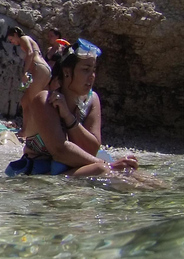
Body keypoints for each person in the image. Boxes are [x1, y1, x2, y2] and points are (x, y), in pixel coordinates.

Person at [7, 38, 138, 177]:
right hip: (40, 175)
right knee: (102, 171)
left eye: (93, 70)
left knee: (130, 173)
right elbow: (60, 151)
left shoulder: (91, 100)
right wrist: (109, 166)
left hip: (73, 169)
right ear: (67, 72)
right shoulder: (44, 100)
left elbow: (92, 149)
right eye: (86, 70)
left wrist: (68, 117)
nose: (92, 76)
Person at [7, 26, 51, 136]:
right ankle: (28, 130)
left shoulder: (24, 38)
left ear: (15, 34)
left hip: (39, 69)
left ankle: (34, 131)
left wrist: (25, 72)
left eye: (11, 39)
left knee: (32, 102)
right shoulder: (27, 40)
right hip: (43, 70)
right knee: (26, 101)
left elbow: (30, 53)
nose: (12, 42)